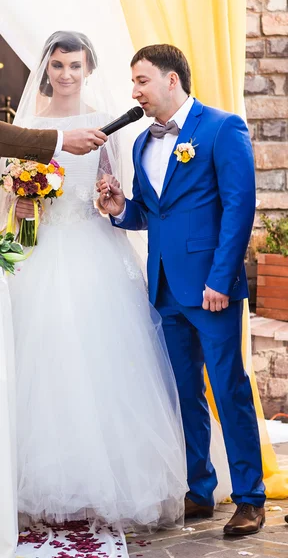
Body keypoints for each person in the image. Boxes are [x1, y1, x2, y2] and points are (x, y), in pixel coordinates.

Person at [6, 30, 191, 532]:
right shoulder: (29, 125)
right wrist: (23, 201)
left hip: (92, 249)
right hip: (42, 253)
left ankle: (104, 483)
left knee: (100, 358)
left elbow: (111, 187)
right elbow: (11, 196)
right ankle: (43, 483)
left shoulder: (105, 122)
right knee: (43, 359)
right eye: (59, 65)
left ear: (89, 70)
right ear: (47, 69)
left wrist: (109, 191)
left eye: (76, 66)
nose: (66, 74)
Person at [98, 43, 266, 536]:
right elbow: (152, 213)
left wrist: (221, 278)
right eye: (133, 82)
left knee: (229, 389)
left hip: (211, 288)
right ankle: (200, 488)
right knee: (184, 392)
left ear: (172, 80)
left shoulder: (221, 128)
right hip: (165, 287)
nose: (135, 91)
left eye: (142, 80)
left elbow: (239, 207)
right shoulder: (140, 143)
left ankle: (250, 497)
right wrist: (119, 208)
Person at [0, 118, 107, 162]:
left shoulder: (102, 118)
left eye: (75, 67)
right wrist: (63, 140)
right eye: (58, 67)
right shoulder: (27, 119)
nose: (66, 75)